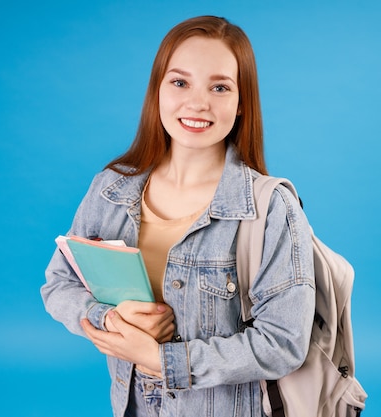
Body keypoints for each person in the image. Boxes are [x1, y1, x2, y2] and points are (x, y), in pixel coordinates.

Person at [41, 15, 315, 417]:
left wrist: (161, 360)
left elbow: (284, 343)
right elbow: (58, 285)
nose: (197, 103)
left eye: (220, 87)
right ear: (157, 91)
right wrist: (109, 318)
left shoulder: (271, 209)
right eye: (180, 82)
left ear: (242, 104)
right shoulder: (111, 189)